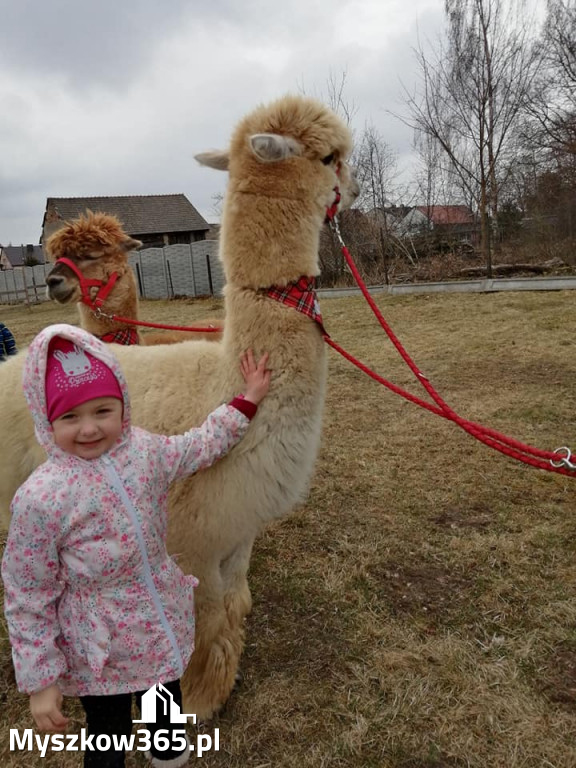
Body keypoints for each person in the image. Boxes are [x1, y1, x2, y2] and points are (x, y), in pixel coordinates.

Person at [2, 323, 271, 768]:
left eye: (102, 411)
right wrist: (41, 679)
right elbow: (27, 594)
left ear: (123, 407)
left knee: (164, 712)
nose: (89, 429)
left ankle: (166, 752)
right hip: (98, 651)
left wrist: (247, 401)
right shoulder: (41, 498)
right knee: (107, 733)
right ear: (46, 419)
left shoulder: (144, 452)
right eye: (70, 417)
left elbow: (198, 446)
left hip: (158, 627)